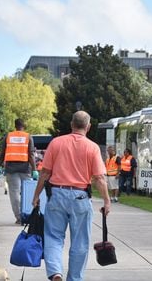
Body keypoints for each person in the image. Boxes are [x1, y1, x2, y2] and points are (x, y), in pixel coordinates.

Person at [32, 111, 111, 281]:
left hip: (57, 194)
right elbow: (99, 178)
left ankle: (55, 272)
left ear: (71, 124)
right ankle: (74, 278)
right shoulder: (92, 147)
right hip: (81, 197)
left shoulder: (56, 143)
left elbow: (45, 173)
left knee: (53, 237)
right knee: (80, 242)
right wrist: (107, 200)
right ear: (88, 127)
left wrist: (36, 195)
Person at [0, 118, 36, 224]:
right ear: (24, 126)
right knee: (27, 193)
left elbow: (2, 153)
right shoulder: (28, 137)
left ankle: (19, 217)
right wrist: (34, 170)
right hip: (25, 169)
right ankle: (28, 215)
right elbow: (31, 155)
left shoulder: (8, 136)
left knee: (14, 193)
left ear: (15, 126)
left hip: (11, 169)